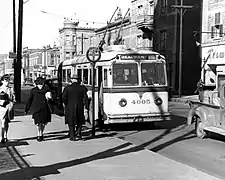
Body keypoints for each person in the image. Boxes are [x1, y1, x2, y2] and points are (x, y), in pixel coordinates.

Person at [62, 74, 89, 141]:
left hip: (70, 106)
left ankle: (72, 136)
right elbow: (85, 98)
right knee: (80, 120)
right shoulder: (82, 88)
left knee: (71, 121)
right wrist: (86, 106)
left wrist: (66, 104)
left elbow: (63, 97)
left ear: (72, 79)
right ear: (78, 80)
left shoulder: (67, 88)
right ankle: (79, 133)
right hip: (80, 106)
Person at [25, 77, 52, 142]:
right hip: (45, 107)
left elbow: (30, 100)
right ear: (43, 82)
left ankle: (38, 134)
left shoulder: (33, 90)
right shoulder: (47, 89)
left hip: (36, 108)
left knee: (38, 122)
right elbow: (50, 98)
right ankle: (41, 134)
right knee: (44, 122)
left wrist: (27, 109)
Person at [0, 74, 15, 143]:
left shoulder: (11, 89)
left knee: (7, 122)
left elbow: (13, 98)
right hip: (1, 107)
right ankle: (2, 137)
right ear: (2, 81)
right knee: (2, 121)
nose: (7, 82)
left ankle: (6, 136)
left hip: (9, 106)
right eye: (6, 80)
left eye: (8, 81)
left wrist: (12, 101)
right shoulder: (0, 89)